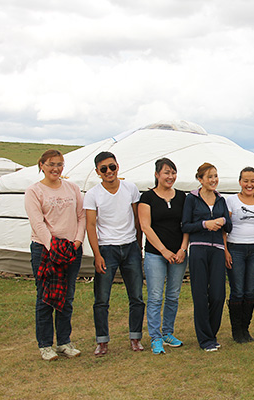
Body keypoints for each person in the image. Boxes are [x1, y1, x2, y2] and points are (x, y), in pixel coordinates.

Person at [24, 149, 85, 361]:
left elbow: (81, 216)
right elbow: (37, 222)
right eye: (51, 164)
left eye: (59, 164)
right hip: (45, 249)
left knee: (67, 297)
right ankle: (45, 345)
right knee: (45, 297)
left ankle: (64, 342)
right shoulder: (34, 191)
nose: (55, 168)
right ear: (41, 165)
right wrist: (54, 247)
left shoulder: (73, 188)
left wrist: (77, 241)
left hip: (71, 248)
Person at [84, 151, 145, 356]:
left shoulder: (130, 188)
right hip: (106, 248)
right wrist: (97, 254)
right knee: (101, 298)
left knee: (136, 296)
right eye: (104, 169)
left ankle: (135, 338)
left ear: (118, 166)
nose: (109, 171)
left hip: (130, 247)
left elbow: (137, 219)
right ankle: (102, 341)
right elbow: (90, 225)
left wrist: (138, 245)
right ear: (97, 172)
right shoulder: (93, 194)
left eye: (112, 167)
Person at [138, 158, 189, 355]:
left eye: (173, 172)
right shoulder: (147, 197)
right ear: (157, 174)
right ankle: (155, 337)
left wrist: (183, 249)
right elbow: (145, 227)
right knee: (155, 297)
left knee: (173, 295)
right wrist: (163, 251)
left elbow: (186, 225)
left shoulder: (182, 197)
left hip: (178, 254)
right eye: (166, 172)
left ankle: (168, 332)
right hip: (155, 254)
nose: (170, 176)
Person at [182, 162, 232, 352]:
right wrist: (205, 224)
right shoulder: (192, 199)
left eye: (216, 176)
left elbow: (229, 227)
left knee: (218, 294)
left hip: (218, 250)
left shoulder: (221, 200)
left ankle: (212, 334)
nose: (213, 180)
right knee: (201, 294)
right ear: (200, 179)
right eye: (209, 176)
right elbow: (185, 225)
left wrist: (224, 220)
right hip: (198, 250)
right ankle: (205, 339)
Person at [224, 167, 254, 343]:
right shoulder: (231, 201)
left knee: (250, 291)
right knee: (237, 291)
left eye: (253, 181)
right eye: (245, 181)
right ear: (240, 182)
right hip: (235, 248)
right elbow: (224, 228)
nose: (249, 185)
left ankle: (245, 329)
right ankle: (236, 331)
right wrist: (225, 249)